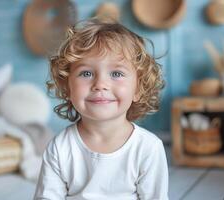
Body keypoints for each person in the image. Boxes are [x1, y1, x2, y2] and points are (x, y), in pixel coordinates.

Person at [34, 19, 168, 200]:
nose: (100, 85)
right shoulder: (60, 148)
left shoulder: (148, 148)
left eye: (116, 74)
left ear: (137, 89)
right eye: (86, 73)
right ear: (67, 88)